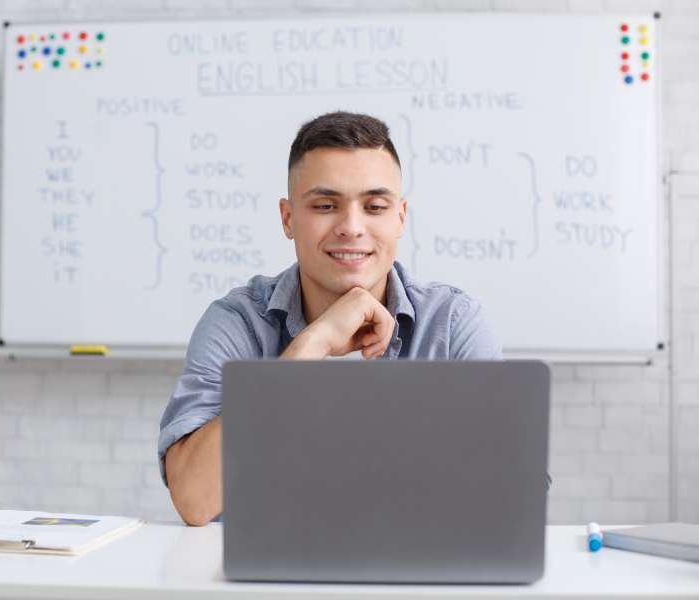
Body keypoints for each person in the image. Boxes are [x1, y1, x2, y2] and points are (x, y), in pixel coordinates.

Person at [158, 111, 503, 526]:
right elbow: (194, 499)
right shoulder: (237, 322)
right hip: (267, 587)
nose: (352, 227)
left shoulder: (452, 324)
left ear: (400, 217)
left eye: (375, 206)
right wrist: (311, 344)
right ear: (288, 218)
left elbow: (507, 494)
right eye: (325, 205)